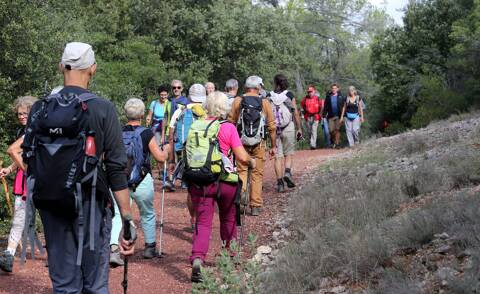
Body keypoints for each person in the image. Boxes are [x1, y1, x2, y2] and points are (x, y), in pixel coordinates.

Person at [21, 42, 135, 293]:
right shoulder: (103, 108)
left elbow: (29, 158)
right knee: (94, 284)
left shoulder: (40, 108)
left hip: (51, 201)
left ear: (61, 66)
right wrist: (127, 218)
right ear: (92, 69)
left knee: (64, 284)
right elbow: (116, 169)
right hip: (91, 204)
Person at [188, 91, 256, 282]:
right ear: (224, 107)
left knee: (203, 222)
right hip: (225, 181)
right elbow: (241, 157)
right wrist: (252, 163)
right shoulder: (228, 128)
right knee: (228, 218)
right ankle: (230, 255)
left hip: (201, 181)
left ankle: (198, 258)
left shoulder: (196, 125)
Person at [109, 98, 170, 266]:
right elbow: (159, 157)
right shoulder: (146, 133)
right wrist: (167, 150)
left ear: (126, 113)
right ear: (143, 114)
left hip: (119, 181)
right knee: (147, 213)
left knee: (117, 213)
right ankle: (149, 247)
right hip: (142, 179)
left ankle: (114, 248)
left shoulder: (117, 132)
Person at [228, 76, 276, 216]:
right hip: (259, 143)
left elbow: (231, 122)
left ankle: (241, 202)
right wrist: (273, 146)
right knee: (257, 174)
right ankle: (255, 206)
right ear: (258, 87)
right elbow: (272, 126)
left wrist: (231, 143)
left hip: (240, 143)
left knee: (241, 171)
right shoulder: (264, 102)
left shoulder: (238, 100)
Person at [0, 96, 38, 273]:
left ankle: (58, 255)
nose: (22, 116)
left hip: (41, 178)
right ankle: (9, 253)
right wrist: (10, 168)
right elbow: (20, 154)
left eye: (25, 113)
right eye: (19, 114)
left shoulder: (39, 130)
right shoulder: (21, 132)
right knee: (19, 217)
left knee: (49, 217)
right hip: (24, 179)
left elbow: (16, 152)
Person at [168, 84, 207, 229]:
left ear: (189, 96)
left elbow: (171, 136)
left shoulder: (180, 111)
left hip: (187, 156)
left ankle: (194, 218)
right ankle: (203, 219)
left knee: (191, 190)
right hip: (206, 156)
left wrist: (171, 160)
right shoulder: (207, 111)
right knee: (206, 188)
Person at [268, 74, 302, 193]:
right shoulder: (289, 95)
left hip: (274, 129)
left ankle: (280, 183)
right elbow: (295, 113)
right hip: (287, 127)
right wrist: (298, 128)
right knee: (288, 154)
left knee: (277, 157)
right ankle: (287, 172)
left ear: (275, 83)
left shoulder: (269, 96)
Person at [163, 79, 189, 191]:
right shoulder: (168, 102)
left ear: (182, 88)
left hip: (182, 132)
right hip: (170, 133)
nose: (176, 89)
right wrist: (164, 133)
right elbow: (165, 118)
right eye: (174, 87)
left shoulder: (186, 101)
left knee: (184, 156)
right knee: (171, 158)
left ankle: (183, 180)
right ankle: (171, 181)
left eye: (178, 87)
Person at [323, 83, 346, 148]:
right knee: (331, 131)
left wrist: (343, 116)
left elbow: (344, 106)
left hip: (338, 116)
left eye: (335, 88)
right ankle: (333, 141)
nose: (334, 89)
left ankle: (337, 143)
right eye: (333, 88)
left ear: (338, 89)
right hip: (330, 116)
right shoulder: (328, 97)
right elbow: (325, 107)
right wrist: (324, 115)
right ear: (331, 89)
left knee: (337, 130)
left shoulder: (341, 97)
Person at [301, 85, 323, 150]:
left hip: (315, 116)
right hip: (308, 116)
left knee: (314, 130)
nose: (309, 93)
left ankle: (313, 145)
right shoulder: (305, 99)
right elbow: (302, 107)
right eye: (308, 92)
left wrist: (320, 115)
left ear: (314, 91)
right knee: (309, 131)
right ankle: (311, 143)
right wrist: (302, 115)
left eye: (311, 91)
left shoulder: (317, 98)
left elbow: (321, 107)